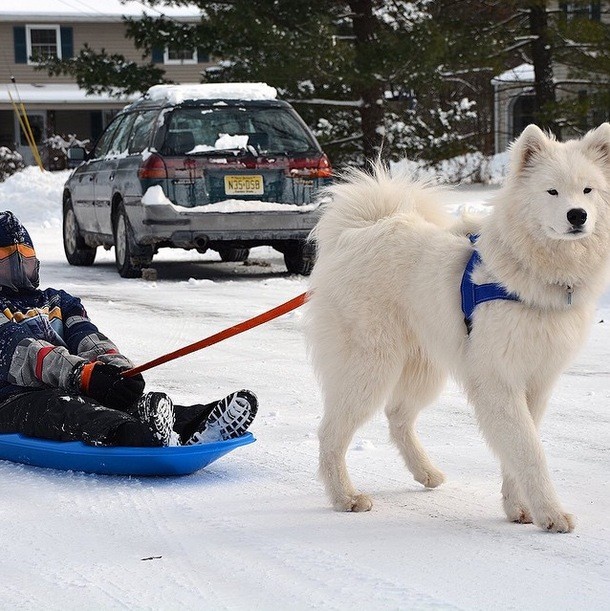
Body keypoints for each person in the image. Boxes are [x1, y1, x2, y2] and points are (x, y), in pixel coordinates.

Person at [0, 210, 257, 447]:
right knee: (63, 407)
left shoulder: (57, 300)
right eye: (7, 265)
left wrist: (116, 369)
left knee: (123, 402)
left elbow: (87, 336)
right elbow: (24, 351)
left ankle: (199, 424)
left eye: (25, 262)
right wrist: (82, 374)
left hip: (68, 382)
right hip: (11, 400)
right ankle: (139, 436)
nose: (19, 274)